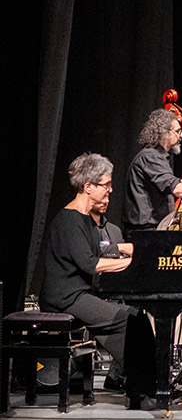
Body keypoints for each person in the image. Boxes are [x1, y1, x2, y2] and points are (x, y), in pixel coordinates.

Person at [42, 153, 156, 403]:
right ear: (88, 187)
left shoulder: (86, 220)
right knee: (126, 321)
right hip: (65, 297)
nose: (110, 190)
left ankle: (147, 384)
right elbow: (90, 263)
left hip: (79, 294)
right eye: (106, 184)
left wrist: (127, 252)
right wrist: (133, 263)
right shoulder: (68, 220)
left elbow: (100, 250)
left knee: (138, 317)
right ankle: (138, 388)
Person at [125, 108, 182, 232]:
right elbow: (176, 188)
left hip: (153, 229)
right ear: (164, 133)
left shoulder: (156, 157)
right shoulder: (150, 157)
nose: (181, 135)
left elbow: (167, 183)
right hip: (145, 232)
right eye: (177, 131)